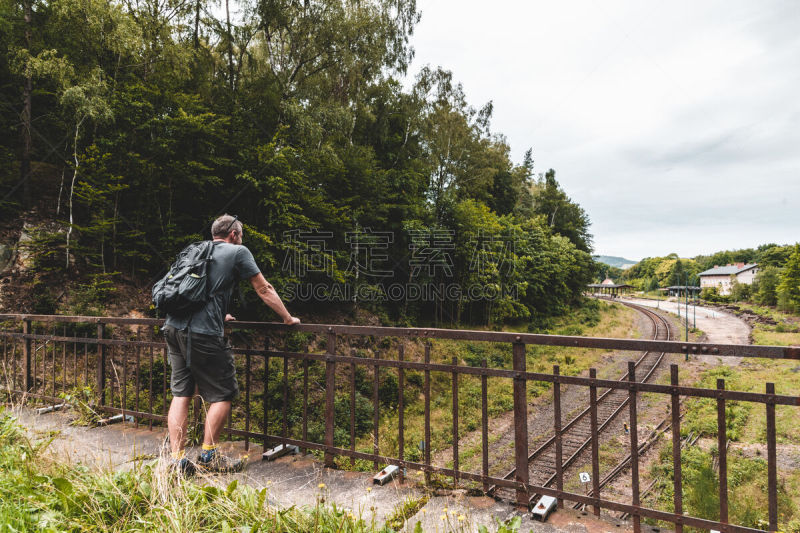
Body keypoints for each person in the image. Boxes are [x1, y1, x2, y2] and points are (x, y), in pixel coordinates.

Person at [162, 214, 300, 474]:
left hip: (173, 326)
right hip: (203, 334)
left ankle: (177, 460)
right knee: (223, 394)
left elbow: (196, 289)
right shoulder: (238, 252)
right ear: (234, 235)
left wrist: (218, 313)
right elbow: (264, 289)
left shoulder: (196, 249)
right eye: (241, 235)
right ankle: (209, 457)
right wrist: (287, 317)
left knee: (181, 394)